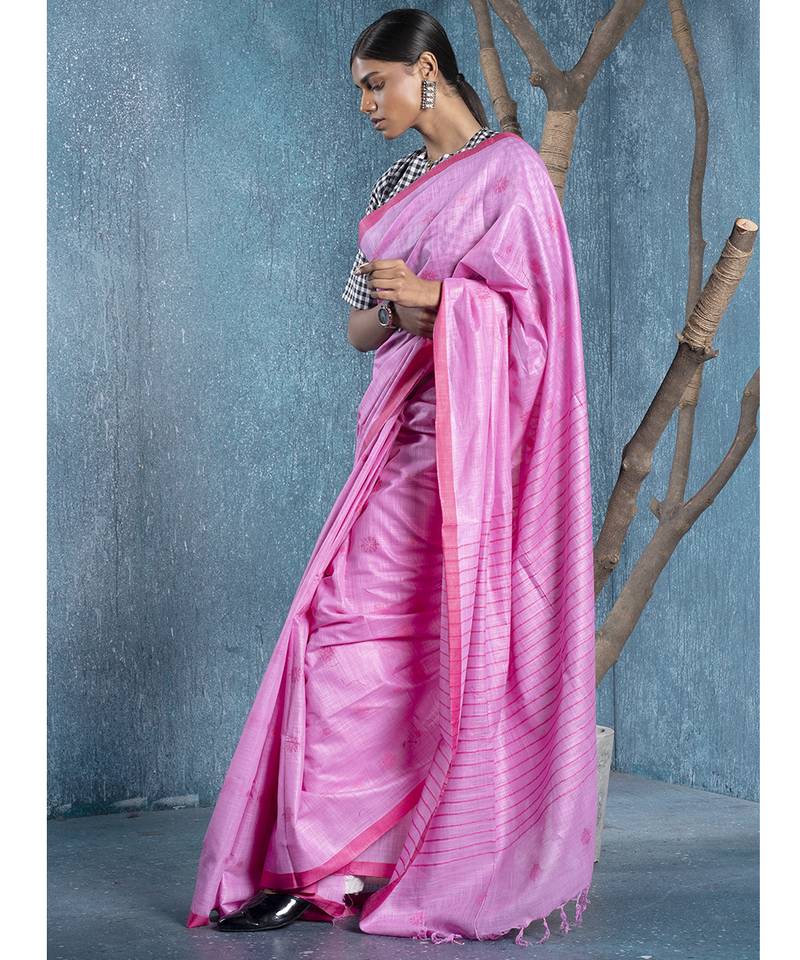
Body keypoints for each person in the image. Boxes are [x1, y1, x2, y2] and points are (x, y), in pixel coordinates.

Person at [186, 8, 597, 947]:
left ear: (426, 71)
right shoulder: (396, 184)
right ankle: (322, 866)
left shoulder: (513, 174)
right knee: (342, 635)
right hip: (402, 447)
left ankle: (383, 861)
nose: (368, 104)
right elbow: (359, 328)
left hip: (478, 453)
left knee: (425, 649)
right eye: (361, 91)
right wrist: (395, 305)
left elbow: (541, 329)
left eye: (377, 84)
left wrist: (445, 301)